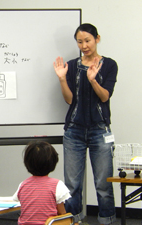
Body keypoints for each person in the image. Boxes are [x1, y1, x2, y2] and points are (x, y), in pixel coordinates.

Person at [53, 23, 118, 225]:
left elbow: (105, 96)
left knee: (103, 183)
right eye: (80, 42)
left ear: (97, 38)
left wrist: (93, 80)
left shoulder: (109, 65)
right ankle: (75, 220)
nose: (84, 45)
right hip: (74, 130)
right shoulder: (71, 66)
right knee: (72, 184)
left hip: (100, 130)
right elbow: (69, 100)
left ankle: (106, 219)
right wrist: (62, 79)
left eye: (88, 40)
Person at [12, 141, 71, 224]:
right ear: (53, 162)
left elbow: (18, 202)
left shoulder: (23, 184)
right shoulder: (57, 185)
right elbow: (62, 215)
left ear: (27, 162)